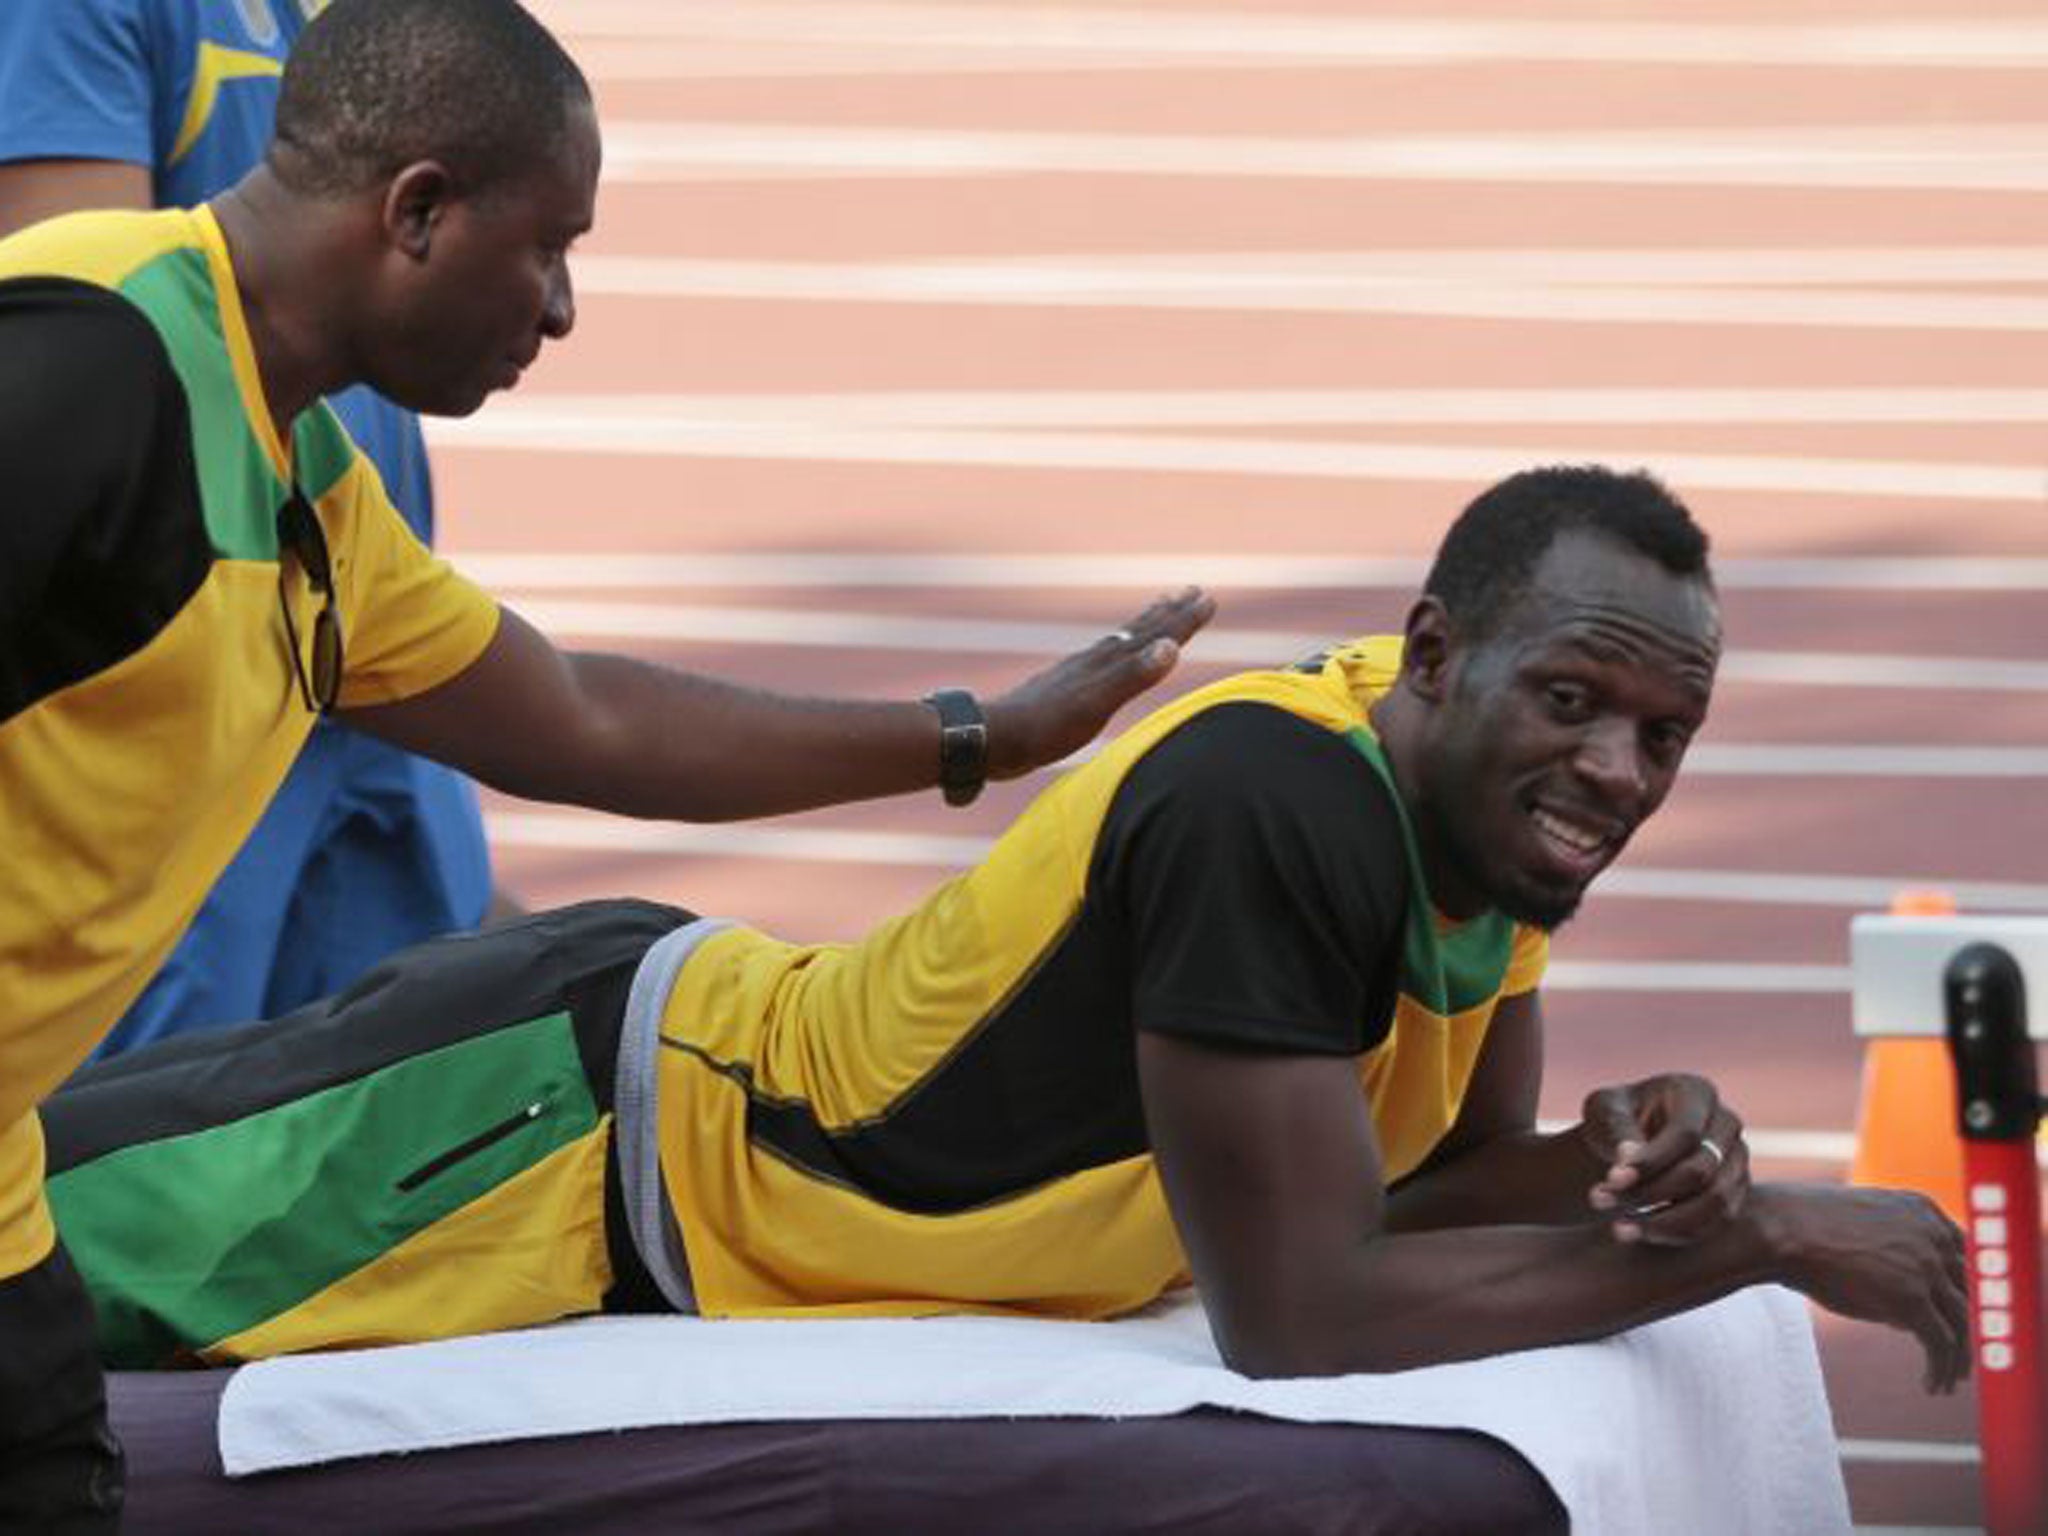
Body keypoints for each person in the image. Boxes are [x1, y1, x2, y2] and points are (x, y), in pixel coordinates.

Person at [0, 1, 1212, 1527]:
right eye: (548, 247)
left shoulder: (306, 483)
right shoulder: (94, 361)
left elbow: (585, 721)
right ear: (418, 212)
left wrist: (977, 736)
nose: (563, 310)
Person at [47, 468, 1969, 1418]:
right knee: (23, 1272)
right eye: (1574, 703)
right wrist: (1757, 1237)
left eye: (1662, 738)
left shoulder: (1482, 830)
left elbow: (1425, 1188)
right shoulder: (1270, 808)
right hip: (534, 1124)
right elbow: (1298, 1314)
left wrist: (1647, 1165)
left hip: (629, 1178)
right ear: (1438, 656)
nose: (1615, 772)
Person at [0, 0, 510, 1058]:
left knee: (391, 1128)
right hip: (197, 693)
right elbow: (73, 341)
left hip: (360, 635)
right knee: (138, 1156)